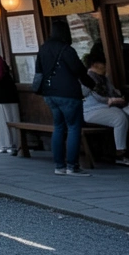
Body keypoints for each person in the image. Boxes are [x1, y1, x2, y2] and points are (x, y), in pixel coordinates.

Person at [36, 21, 97, 176]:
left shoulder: (43, 49)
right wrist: (92, 84)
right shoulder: (66, 49)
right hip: (68, 94)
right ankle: (72, 166)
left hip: (49, 94)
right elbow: (79, 70)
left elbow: (39, 71)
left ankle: (59, 166)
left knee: (58, 127)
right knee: (74, 128)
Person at [82, 49, 129, 166]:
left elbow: (113, 91)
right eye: (103, 64)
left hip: (110, 107)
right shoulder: (87, 78)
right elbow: (97, 96)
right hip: (93, 110)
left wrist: (117, 97)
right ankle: (120, 152)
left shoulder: (104, 78)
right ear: (95, 64)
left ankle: (116, 144)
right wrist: (110, 100)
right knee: (119, 118)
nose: (105, 67)